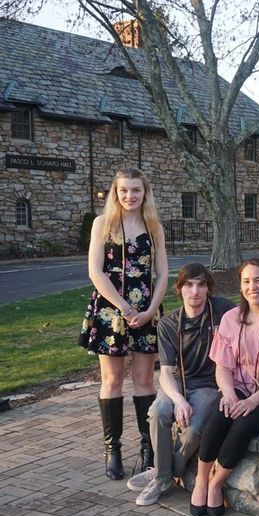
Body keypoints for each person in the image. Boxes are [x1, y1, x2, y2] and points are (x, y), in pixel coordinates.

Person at [190, 259, 259, 516]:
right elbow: (223, 367)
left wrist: (252, 402)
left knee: (242, 427)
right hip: (236, 387)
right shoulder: (231, 319)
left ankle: (217, 484)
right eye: (247, 281)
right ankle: (202, 480)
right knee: (217, 419)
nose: (253, 287)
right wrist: (228, 394)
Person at [80, 167, 168, 480]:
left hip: (146, 311)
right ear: (116, 193)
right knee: (112, 379)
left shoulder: (153, 226)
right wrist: (124, 307)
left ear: (145, 193)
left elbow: (162, 275)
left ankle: (149, 447)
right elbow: (95, 272)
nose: (130, 196)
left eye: (136, 190)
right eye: (124, 191)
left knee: (145, 379)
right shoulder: (103, 224)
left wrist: (150, 310)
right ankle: (112, 448)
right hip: (110, 310)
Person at [126, 263, 235, 505]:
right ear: (179, 289)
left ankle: (162, 471)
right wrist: (179, 400)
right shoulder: (168, 324)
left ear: (208, 288)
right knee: (158, 412)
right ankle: (164, 476)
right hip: (179, 383)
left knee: (194, 428)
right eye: (189, 285)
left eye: (201, 285)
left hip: (210, 384)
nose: (195, 291)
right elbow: (165, 373)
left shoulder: (223, 311)